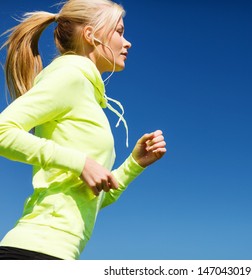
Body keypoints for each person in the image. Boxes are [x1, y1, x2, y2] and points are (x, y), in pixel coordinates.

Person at [0, 0, 166, 260]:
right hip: (33, 250)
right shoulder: (70, 77)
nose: (127, 42)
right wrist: (80, 163)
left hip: (59, 254)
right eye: (119, 31)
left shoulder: (88, 93)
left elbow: (96, 197)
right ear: (91, 36)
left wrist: (134, 164)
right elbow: (2, 132)